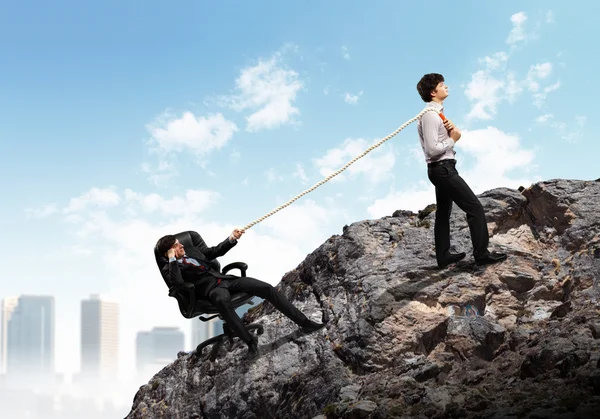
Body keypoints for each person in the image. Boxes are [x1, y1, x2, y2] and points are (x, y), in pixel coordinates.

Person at [155, 229, 324, 356]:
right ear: (168, 252)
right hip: (210, 291)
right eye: (177, 245)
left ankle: (304, 323)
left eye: (180, 243)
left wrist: (232, 238)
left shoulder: (191, 252)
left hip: (225, 279)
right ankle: (250, 342)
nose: (182, 245)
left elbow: (213, 252)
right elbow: (177, 283)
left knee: (266, 288)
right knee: (222, 303)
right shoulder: (169, 267)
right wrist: (172, 259)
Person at [416, 73, 507, 268]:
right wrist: (453, 139)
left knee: (443, 212)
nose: (446, 87)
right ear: (433, 92)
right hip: (442, 169)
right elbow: (432, 150)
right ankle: (481, 254)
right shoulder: (431, 116)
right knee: (474, 208)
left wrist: (449, 134)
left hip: (440, 169)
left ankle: (443, 256)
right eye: (442, 85)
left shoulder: (434, 114)